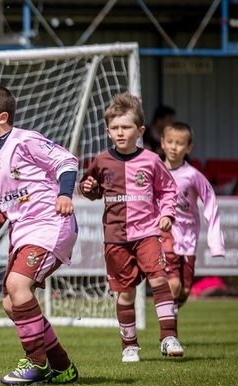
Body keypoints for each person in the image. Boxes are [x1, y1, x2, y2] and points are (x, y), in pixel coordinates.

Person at [0, 85, 79, 386]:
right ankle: (62, 367)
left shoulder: (26, 140)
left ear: (2, 117)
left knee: (16, 284)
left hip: (51, 223)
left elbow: (66, 161)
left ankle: (35, 363)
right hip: (24, 232)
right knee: (12, 304)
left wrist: (65, 194)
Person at [79, 92, 182, 363]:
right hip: (115, 237)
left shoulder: (151, 160)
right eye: (115, 128)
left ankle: (168, 337)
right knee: (126, 292)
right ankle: (129, 345)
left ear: (140, 130)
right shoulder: (101, 161)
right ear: (108, 131)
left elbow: (168, 189)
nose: (120, 132)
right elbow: (90, 188)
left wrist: (167, 213)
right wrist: (88, 188)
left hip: (147, 233)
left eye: (126, 127)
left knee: (160, 280)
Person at [160, 122, 225, 307]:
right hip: (165, 231)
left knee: (184, 291)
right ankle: (167, 326)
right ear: (163, 143)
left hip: (189, 235)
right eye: (170, 141)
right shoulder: (154, 170)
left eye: (179, 143)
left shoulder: (192, 175)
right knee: (174, 284)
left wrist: (216, 242)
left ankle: (172, 311)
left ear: (189, 148)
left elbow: (210, 200)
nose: (174, 147)